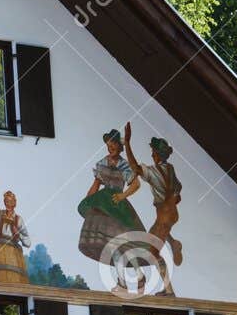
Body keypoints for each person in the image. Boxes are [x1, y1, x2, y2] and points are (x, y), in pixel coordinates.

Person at [77, 127, 150, 290]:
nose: (110, 147)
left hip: (117, 205)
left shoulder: (124, 164)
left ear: (119, 145)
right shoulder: (102, 163)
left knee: (124, 243)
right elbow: (95, 185)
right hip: (103, 205)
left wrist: (122, 196)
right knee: (112, 245)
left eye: (113, 144)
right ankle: (122, 281)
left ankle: (139, 275)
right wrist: (88, 202)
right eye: (108, 144)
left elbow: (136, 184)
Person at [125, 124, 183, 271]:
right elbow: (178, 191)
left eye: (153, 152)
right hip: (169, 215)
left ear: (157, 154)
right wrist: (171, 201)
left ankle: (167, 289)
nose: (152, 155)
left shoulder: (153, 172)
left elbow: (134, 167)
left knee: (152, 252)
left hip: (164, 218)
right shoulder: (170, 168)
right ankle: (173, 243)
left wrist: (127, 143)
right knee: (149, 242)